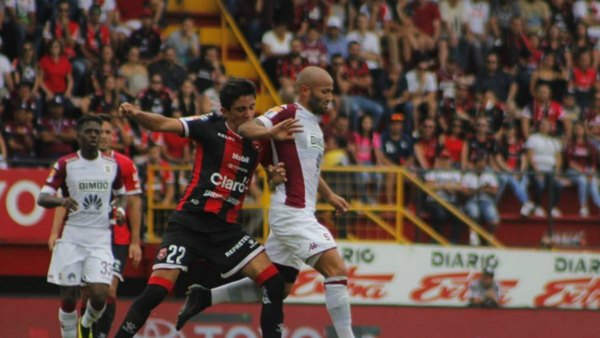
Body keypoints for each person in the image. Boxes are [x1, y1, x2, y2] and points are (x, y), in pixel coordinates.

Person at [113, 78, 300, 338]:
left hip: (225, 231)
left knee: (275, 283)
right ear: (224, 111)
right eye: (240, 110)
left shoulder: (260, 139)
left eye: (251, 108)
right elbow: (164, 123)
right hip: (189, 223)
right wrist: (135, 113)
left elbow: (271, 173)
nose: (248, 115)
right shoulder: (209, 125)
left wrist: (275, 177)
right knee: (157, 290)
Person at [176, 66, 355, 338]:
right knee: (336, 270)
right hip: (292, 213)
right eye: (325, 91)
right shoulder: (286, 112)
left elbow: (306, 169)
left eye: (331, 91)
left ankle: (206, 297)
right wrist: (271, 133)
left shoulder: (313, 124)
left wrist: (329, 195)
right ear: (305, 91)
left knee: (277, 287)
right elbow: (248, 127)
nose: (330, 97)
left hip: (301, 211)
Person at [49, 114, 143, 338]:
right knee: (84, 291)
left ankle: (97, 333)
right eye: (100, 131)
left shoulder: (124, 165)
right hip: (82, 234)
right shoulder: (74, 165)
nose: (103, 136)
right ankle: (85, 331)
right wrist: (54, 231)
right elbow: (65, 200)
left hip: (115, 236)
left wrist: (136, 241)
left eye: (108, 132)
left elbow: (134, 200)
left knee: (107, 290)